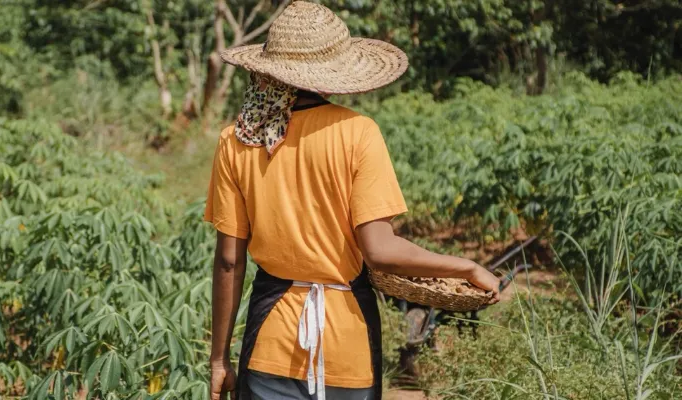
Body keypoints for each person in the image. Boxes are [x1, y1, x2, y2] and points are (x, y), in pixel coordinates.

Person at [204, 2, 501, 399]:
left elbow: (228, 261)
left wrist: (219, 359)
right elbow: (379, 250)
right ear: (334, 76)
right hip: (348, 345)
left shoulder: (238, 139)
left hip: (269, 340)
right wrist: (466, 267)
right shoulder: (358, 133)